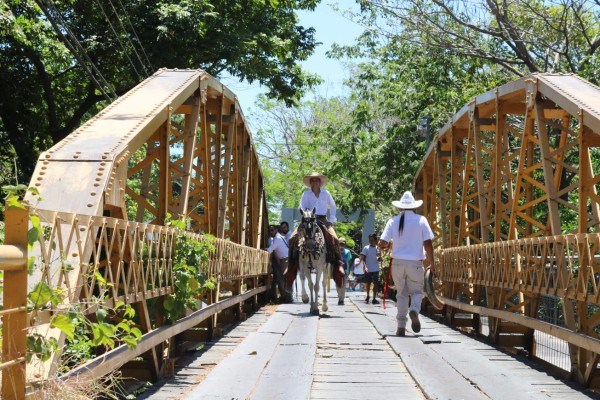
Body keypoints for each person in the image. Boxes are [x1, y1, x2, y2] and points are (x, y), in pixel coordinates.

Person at [379, 191, 435, 337]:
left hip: (397, 264)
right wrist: (432, 263)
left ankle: (401, 327)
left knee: (401, 294)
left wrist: (389, 244)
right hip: (415, 264)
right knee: (417, 292)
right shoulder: (421, 220)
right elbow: (428, 243)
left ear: (400, 207)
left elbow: (382, 243)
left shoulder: (393, 221)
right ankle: (414, 310)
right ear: (414, 207)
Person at [285, 172, 345, 289]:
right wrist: (306, 213)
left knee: (335, 239)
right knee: (292, 238)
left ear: (320, 182)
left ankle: (338, 265)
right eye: (312, 180)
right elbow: (301, 206)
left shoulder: (326, 193)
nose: (314, 182)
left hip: (323, 219)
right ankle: (290, 265)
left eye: (316, 180)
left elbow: (333, 207)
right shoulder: (306, 194)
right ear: (310, 183)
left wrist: (331, 220)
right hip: (308, 219)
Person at [266, 224, 292, 303]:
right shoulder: (278, 237)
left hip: (284, 259)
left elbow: (270, 250)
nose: (271, 232)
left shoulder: (277, 238)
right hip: (284, 258)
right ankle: (286, 296)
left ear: (276, 230)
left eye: (272, 230)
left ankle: (286, 297)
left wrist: (263, 249)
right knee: (282, 278)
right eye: (269, 231)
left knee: (283, 279)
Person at [360, 234, 381, 304]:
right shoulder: (366, 248)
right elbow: (363, 258)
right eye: (370, 240)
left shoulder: (378, 248)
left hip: (376, 269)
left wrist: (380, 259)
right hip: (368, 269)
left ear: (375, 240)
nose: (370, 241)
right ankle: (368, 296)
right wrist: (365, 267)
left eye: (372, 240)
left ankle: (374, 298)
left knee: (376, 284)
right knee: (368, 283)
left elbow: (379, 258)